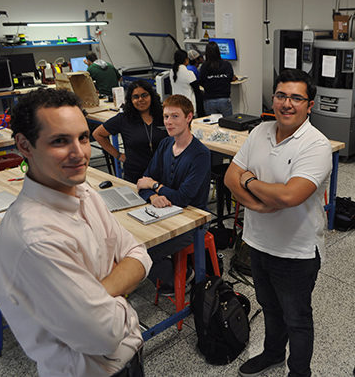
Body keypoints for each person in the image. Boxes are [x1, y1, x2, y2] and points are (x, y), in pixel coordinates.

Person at [0, 88, 152, 377]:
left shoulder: (84, 193)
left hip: (131, 359)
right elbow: (104, 334)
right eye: (60, 141)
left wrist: (99, 295)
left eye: (83, 137)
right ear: (25, 146)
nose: (79, 153)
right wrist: (120, 284)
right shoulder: (35, 239)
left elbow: (139, 254)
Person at [224, 69, 332, 377]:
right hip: (258, 243)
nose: (287, 104)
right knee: (270, 308)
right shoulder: (260, 131)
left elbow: (288, 196)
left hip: (296, 252)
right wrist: (257, 201)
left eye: (296, 98)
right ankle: (272, 354)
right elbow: (232, 176)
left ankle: (299, 372)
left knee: (297, 318)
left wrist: (250, 181)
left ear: (309, 105)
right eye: (281, 96)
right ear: (273, 99)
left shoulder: (316, 145)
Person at [137, 94, 211, 294]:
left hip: (193, 221)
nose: (169, 122)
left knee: (144, 250)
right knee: (129, 241)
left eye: (175, 116)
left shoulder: (200, 154)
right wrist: (153, 195)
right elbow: (143, 182)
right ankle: (168, 276)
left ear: (189, 117)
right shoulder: (165, 145)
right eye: (166, 116)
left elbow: (183, 198)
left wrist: (154, 185)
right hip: (165, 212)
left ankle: (183, 276)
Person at [93, 80, 167, 183]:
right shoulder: (124, 119)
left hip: (163, 174)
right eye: (136, 97)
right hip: (135, 176)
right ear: (131, 100)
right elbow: (98, 134)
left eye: (144, 95)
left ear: (151, 96)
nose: (140, 99)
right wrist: (118, 155)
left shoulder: (163, 116)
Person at [199, 41, 235, 116]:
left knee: (212, 126)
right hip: (224, 99)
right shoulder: (227, 65)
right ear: (218, 51)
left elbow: (201, 81)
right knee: (228, 124)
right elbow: (230, 78)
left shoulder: (204, 66)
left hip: (209, 100)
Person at [170, 49, 203, 116]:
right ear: (186, 60)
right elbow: (197, 92)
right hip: (188, 106)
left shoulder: (172, 72)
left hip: (176, 105)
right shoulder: (189, 73)